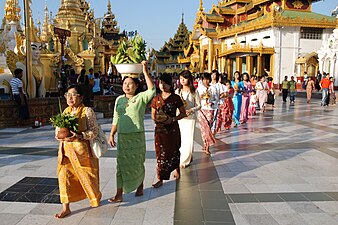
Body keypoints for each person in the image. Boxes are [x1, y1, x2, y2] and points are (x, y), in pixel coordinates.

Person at [109, 61, 155, 202]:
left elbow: (152, 90)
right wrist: (112, 133)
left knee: (137, 162)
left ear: (136, 86)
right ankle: (119, 194)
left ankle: (140, 186)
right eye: (125, 84)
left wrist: (145, 71)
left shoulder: (140, 98)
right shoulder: (119, 100)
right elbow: (116, 118)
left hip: (136, 135)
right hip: (123, 136)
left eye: (130, 84)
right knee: (121, 164)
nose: (127, 86)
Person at [54, 84, 102, 218]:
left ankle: (94, 198)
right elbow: (58, 129)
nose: (69, 97)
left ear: (81, 97)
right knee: (64, 177)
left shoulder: (87, 111)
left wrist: (80, 136)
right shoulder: (65, 112)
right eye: (67, 95)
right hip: (65, 151)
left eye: (73, 94)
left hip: (82, 152)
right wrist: (59, 136)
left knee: (88, 178)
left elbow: (94, 131)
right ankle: (66, 207)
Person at [151, 73, 186, 188]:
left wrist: (172, 119)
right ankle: (160, 178)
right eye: (161, 83)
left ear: (170, 84)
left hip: (172, 129)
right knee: (160, 154)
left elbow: (183, 113)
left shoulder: (175, 98)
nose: (163, 85)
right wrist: (157, 119)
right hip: (160, 131)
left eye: (165, 83)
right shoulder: (156, 99)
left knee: (174, 150)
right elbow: (153, 114)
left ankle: (176, 169)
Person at [176, 70, 201, 169]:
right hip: (180, 118)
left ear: (189, 79)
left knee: (189, 139)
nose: (182, 80)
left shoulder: (194, 92)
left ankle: (185, 161)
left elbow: (199, 105)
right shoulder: (178, 91)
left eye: (184, 78)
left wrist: (192, 110)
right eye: (181, 78)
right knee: (182, 139)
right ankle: (186, 157)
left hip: (190, 118)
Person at [196, 73, 217, 155]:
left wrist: (213, 102)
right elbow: (196, 99)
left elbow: (216, 99)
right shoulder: (199, 88)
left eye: (207, 79)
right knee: (204, 128)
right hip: (201, 109)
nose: (206, 81)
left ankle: (206, 144)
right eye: (204, 79)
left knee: (208, 127)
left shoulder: (213, 88)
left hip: (210, 110)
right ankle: (207, 146)